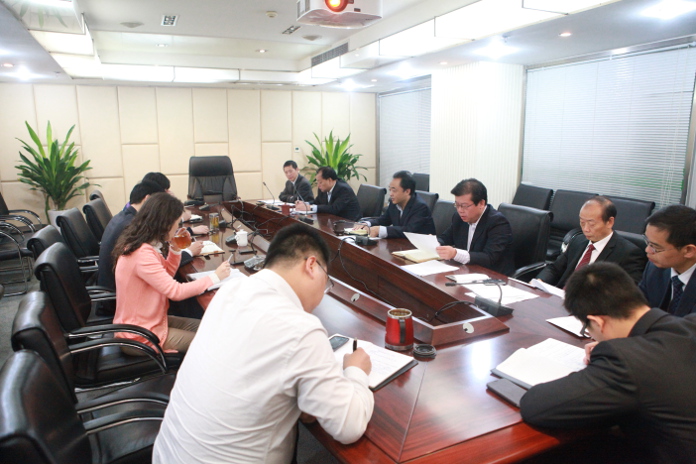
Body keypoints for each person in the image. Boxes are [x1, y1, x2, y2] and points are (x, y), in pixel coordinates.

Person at [153, 223, 374, 464]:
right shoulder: (301, 328)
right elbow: (348, 427)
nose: (323, 292)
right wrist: (356, 372)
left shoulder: (228, 292)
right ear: (311, 265)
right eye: (326, 279)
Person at [520, 262, 696, 464]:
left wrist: (608, 359)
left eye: (587, 329)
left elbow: (536, 406)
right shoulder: (689, 324)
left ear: (598, 322)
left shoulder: (626, 362)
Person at [112, 193, 230, 354]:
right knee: (214, 340)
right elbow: (175, 291)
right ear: (165, 224)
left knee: (213, 327)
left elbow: (165, 276)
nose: (177, 228)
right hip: (140, 336)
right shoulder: (142, 254)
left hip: (151, 322)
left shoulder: (141, 245)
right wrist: (215, 277)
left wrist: (174, 249)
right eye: (176, 223)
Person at [537, 196, 646, 288]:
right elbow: (554, 268)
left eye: (591, 224)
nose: (585, 229)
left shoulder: (628, 253)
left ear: (609, 222)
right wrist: (539, 282)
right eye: (582, 222)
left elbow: (628, 292)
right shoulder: (577, 240)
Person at [436, 178, 514, 275]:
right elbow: (446, 238)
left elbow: (489, 258)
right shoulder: (459, 218)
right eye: (457, 205)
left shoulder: (498, 222)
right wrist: (434, 243)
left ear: (481, 203)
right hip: (467, 271)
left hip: (493, 276)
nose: (460, 210)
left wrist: (455, 254)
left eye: (465, 206)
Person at [639, 204, 696, 316]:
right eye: (647, 242)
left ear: (688, 251)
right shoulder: (654, 268)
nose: (647, 250)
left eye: (655, 247)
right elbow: (637, 308)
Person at [356, 170, 435, 238]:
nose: (391, 194)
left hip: (420, 247)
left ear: (407, 191)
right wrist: (367, 224)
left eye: (394, 190)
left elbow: (409, 230)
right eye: (390, 190)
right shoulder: (395, 202)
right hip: (402, 244)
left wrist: (380, 230)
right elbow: (384, 220)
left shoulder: (420, 207)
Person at [295, 166, 361, 221]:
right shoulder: (323, 188)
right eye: (317, 182)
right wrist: (305, 204)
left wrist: (310, 208)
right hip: (333, 221)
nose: (318, 185)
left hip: (350, 223)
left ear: (329, 180)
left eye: (320, 182)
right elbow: (317, 202)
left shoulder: (343, 189)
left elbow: (334, 209)